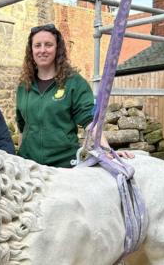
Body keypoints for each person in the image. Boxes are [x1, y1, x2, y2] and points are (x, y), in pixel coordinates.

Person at [16, 24, 132, 168]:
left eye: (48, 45)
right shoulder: (24, 86)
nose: (43, 50)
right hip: (29, 166)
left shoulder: (73, 83)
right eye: (37, 45)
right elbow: (22, 127)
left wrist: (106, 150)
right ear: (31, 50)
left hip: (63, 166)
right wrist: (20, 161)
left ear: (57, 49)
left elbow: (90, 121)